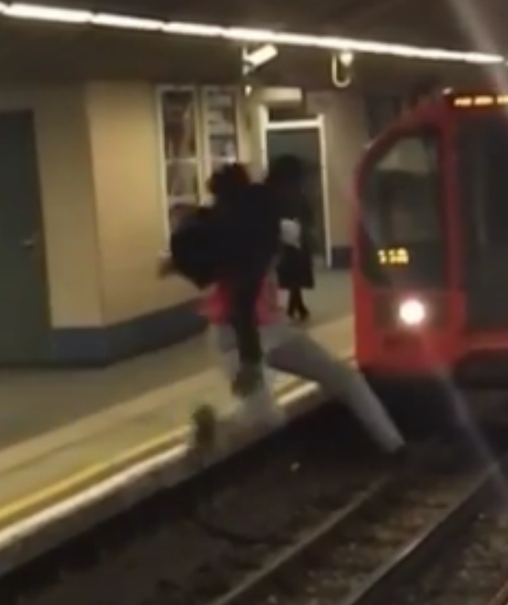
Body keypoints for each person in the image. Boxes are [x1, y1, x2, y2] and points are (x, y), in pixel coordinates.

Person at [162, 163, 405, 455]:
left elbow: (286, 241)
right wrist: (250, 361)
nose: (301, 194)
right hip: (236, 337)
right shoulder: (254, 228)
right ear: (283, 187)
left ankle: (396, 447)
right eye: (298, 187)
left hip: (273, 327)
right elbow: (241, 302)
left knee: (345, 378)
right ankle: (213, 427)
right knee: (267, 418)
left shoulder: (264, 220)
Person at [266, 155, 316, 322]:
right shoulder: (297, 190)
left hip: (281, 236)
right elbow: (307, 212)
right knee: (298, 271)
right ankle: (296, 305)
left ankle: (296, 304)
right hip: (297, 236)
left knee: (290, 271)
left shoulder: (272, 190)